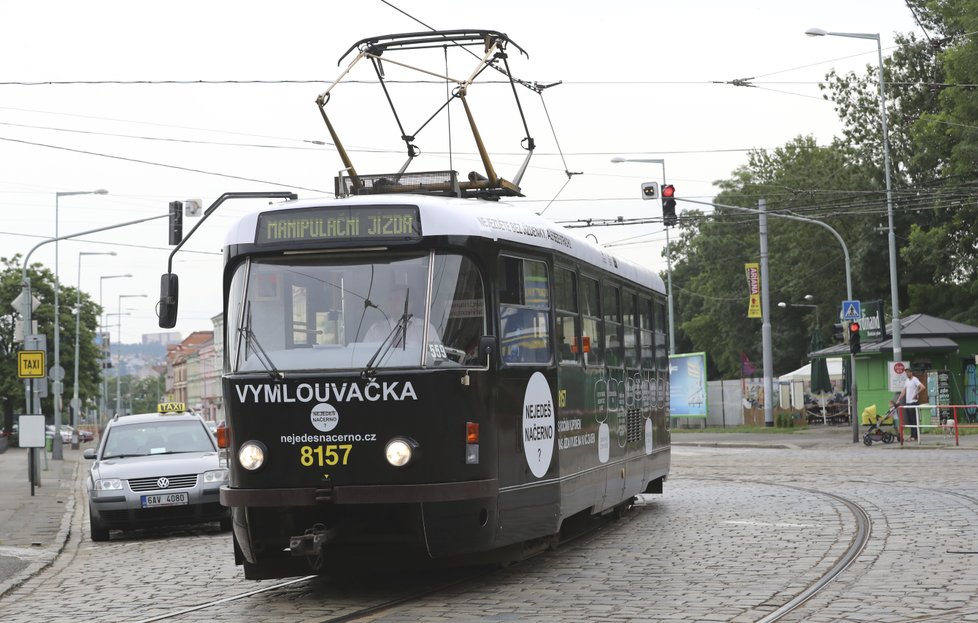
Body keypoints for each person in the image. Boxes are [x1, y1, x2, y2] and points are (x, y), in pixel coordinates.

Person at [363, 286, 440, 347]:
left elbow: (437, 359)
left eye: (397, 299)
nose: (392, 303)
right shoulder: (376, 329)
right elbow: (364, 357)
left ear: (410, 303)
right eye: (390, 299)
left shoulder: (425, 329)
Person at [896, 368, 923, 441]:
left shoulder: (915, 379)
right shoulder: (907, 381)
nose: (907, 374)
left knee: (914, 420)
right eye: (906, 373)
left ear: (911, 372)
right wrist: (898, 399)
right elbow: (903, 391)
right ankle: (913, 435)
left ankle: (915, 436)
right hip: (908, 403)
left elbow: (922, 387)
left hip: (913, 402)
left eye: (908, 372)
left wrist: (916, 394)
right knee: (910, 420)